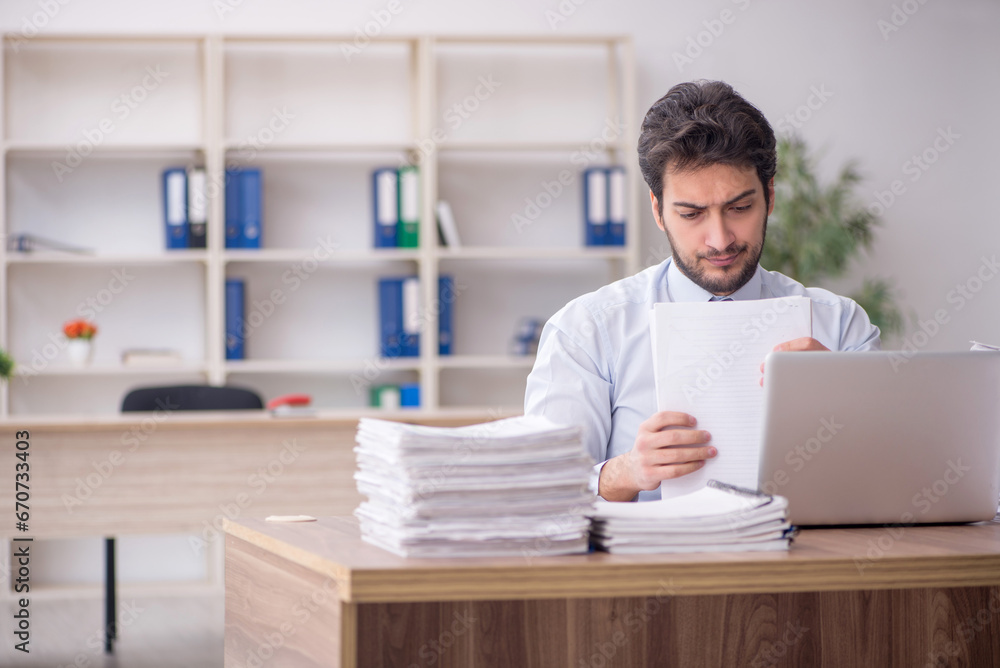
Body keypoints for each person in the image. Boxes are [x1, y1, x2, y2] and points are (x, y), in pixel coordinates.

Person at [523, 80, 880, 502]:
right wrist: (623, 472)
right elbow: (540, 492)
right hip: (650, 565)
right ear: (658, 210)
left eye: (740, 208)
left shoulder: (840, 326)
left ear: (769, 196)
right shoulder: (586, 330)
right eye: (692, 214)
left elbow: (895, 480)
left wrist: (846, 403)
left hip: (805, 564)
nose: (719, 239)